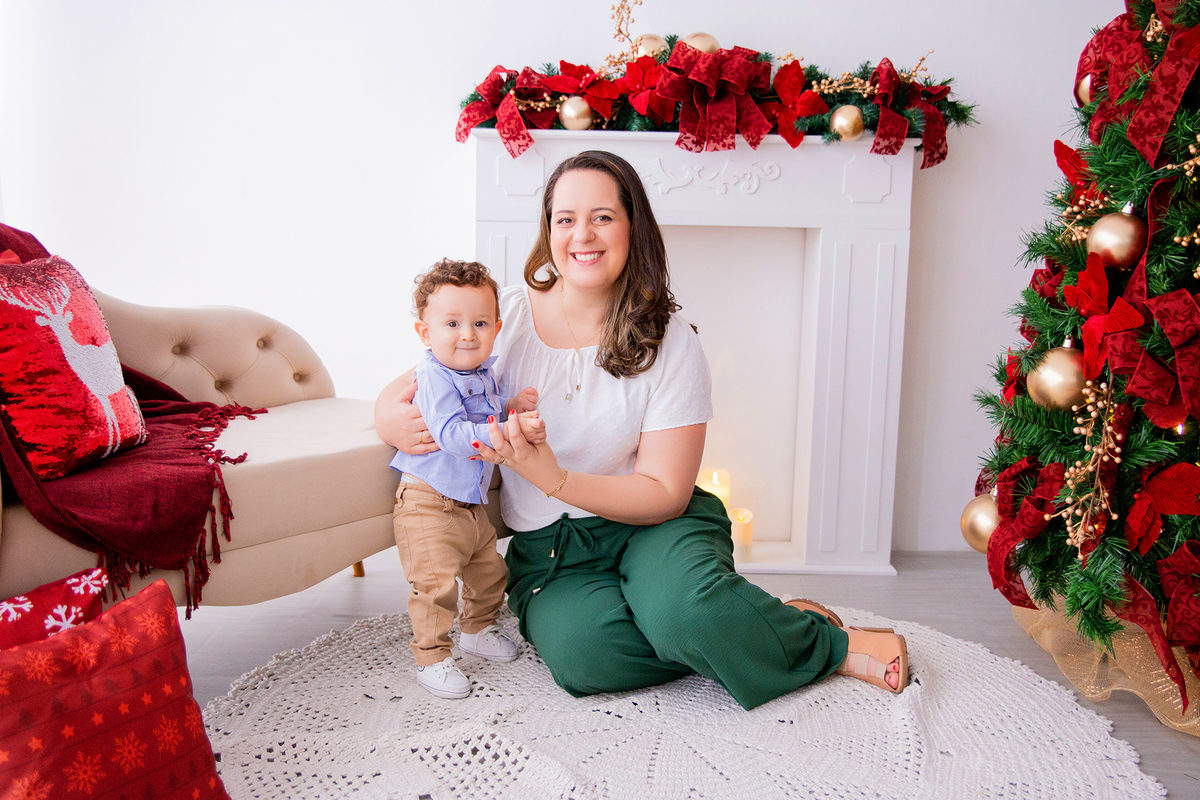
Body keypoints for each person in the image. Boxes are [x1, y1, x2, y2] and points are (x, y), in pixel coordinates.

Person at [375, 152, 907, 709]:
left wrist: (552, 477)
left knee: (687, 612)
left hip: (653, 527)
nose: (582, 234)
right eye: (565, 219)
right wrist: (389, 417)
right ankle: (750, 624)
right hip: (552, 553)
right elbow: (410, 386)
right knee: (588, 657)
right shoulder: (498, 316)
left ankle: (828, 642)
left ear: (633, 227)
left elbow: (665, 493)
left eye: (602, 216)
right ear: (548, 231)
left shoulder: (670, 339)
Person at [387, 258, 544, 699]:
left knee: (489, 572)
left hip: (468, 503)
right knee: (435, 586)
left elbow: (485, 413)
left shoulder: (483, 373)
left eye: (478, 323)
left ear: (496, 328)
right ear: (426, 332)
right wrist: (504, 432)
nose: (467, 334)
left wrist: (511, 405)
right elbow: (452, 434)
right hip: (427, 502)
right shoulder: (433, 376)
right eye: (452, 323)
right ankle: (431, 657)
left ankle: (476, 630)